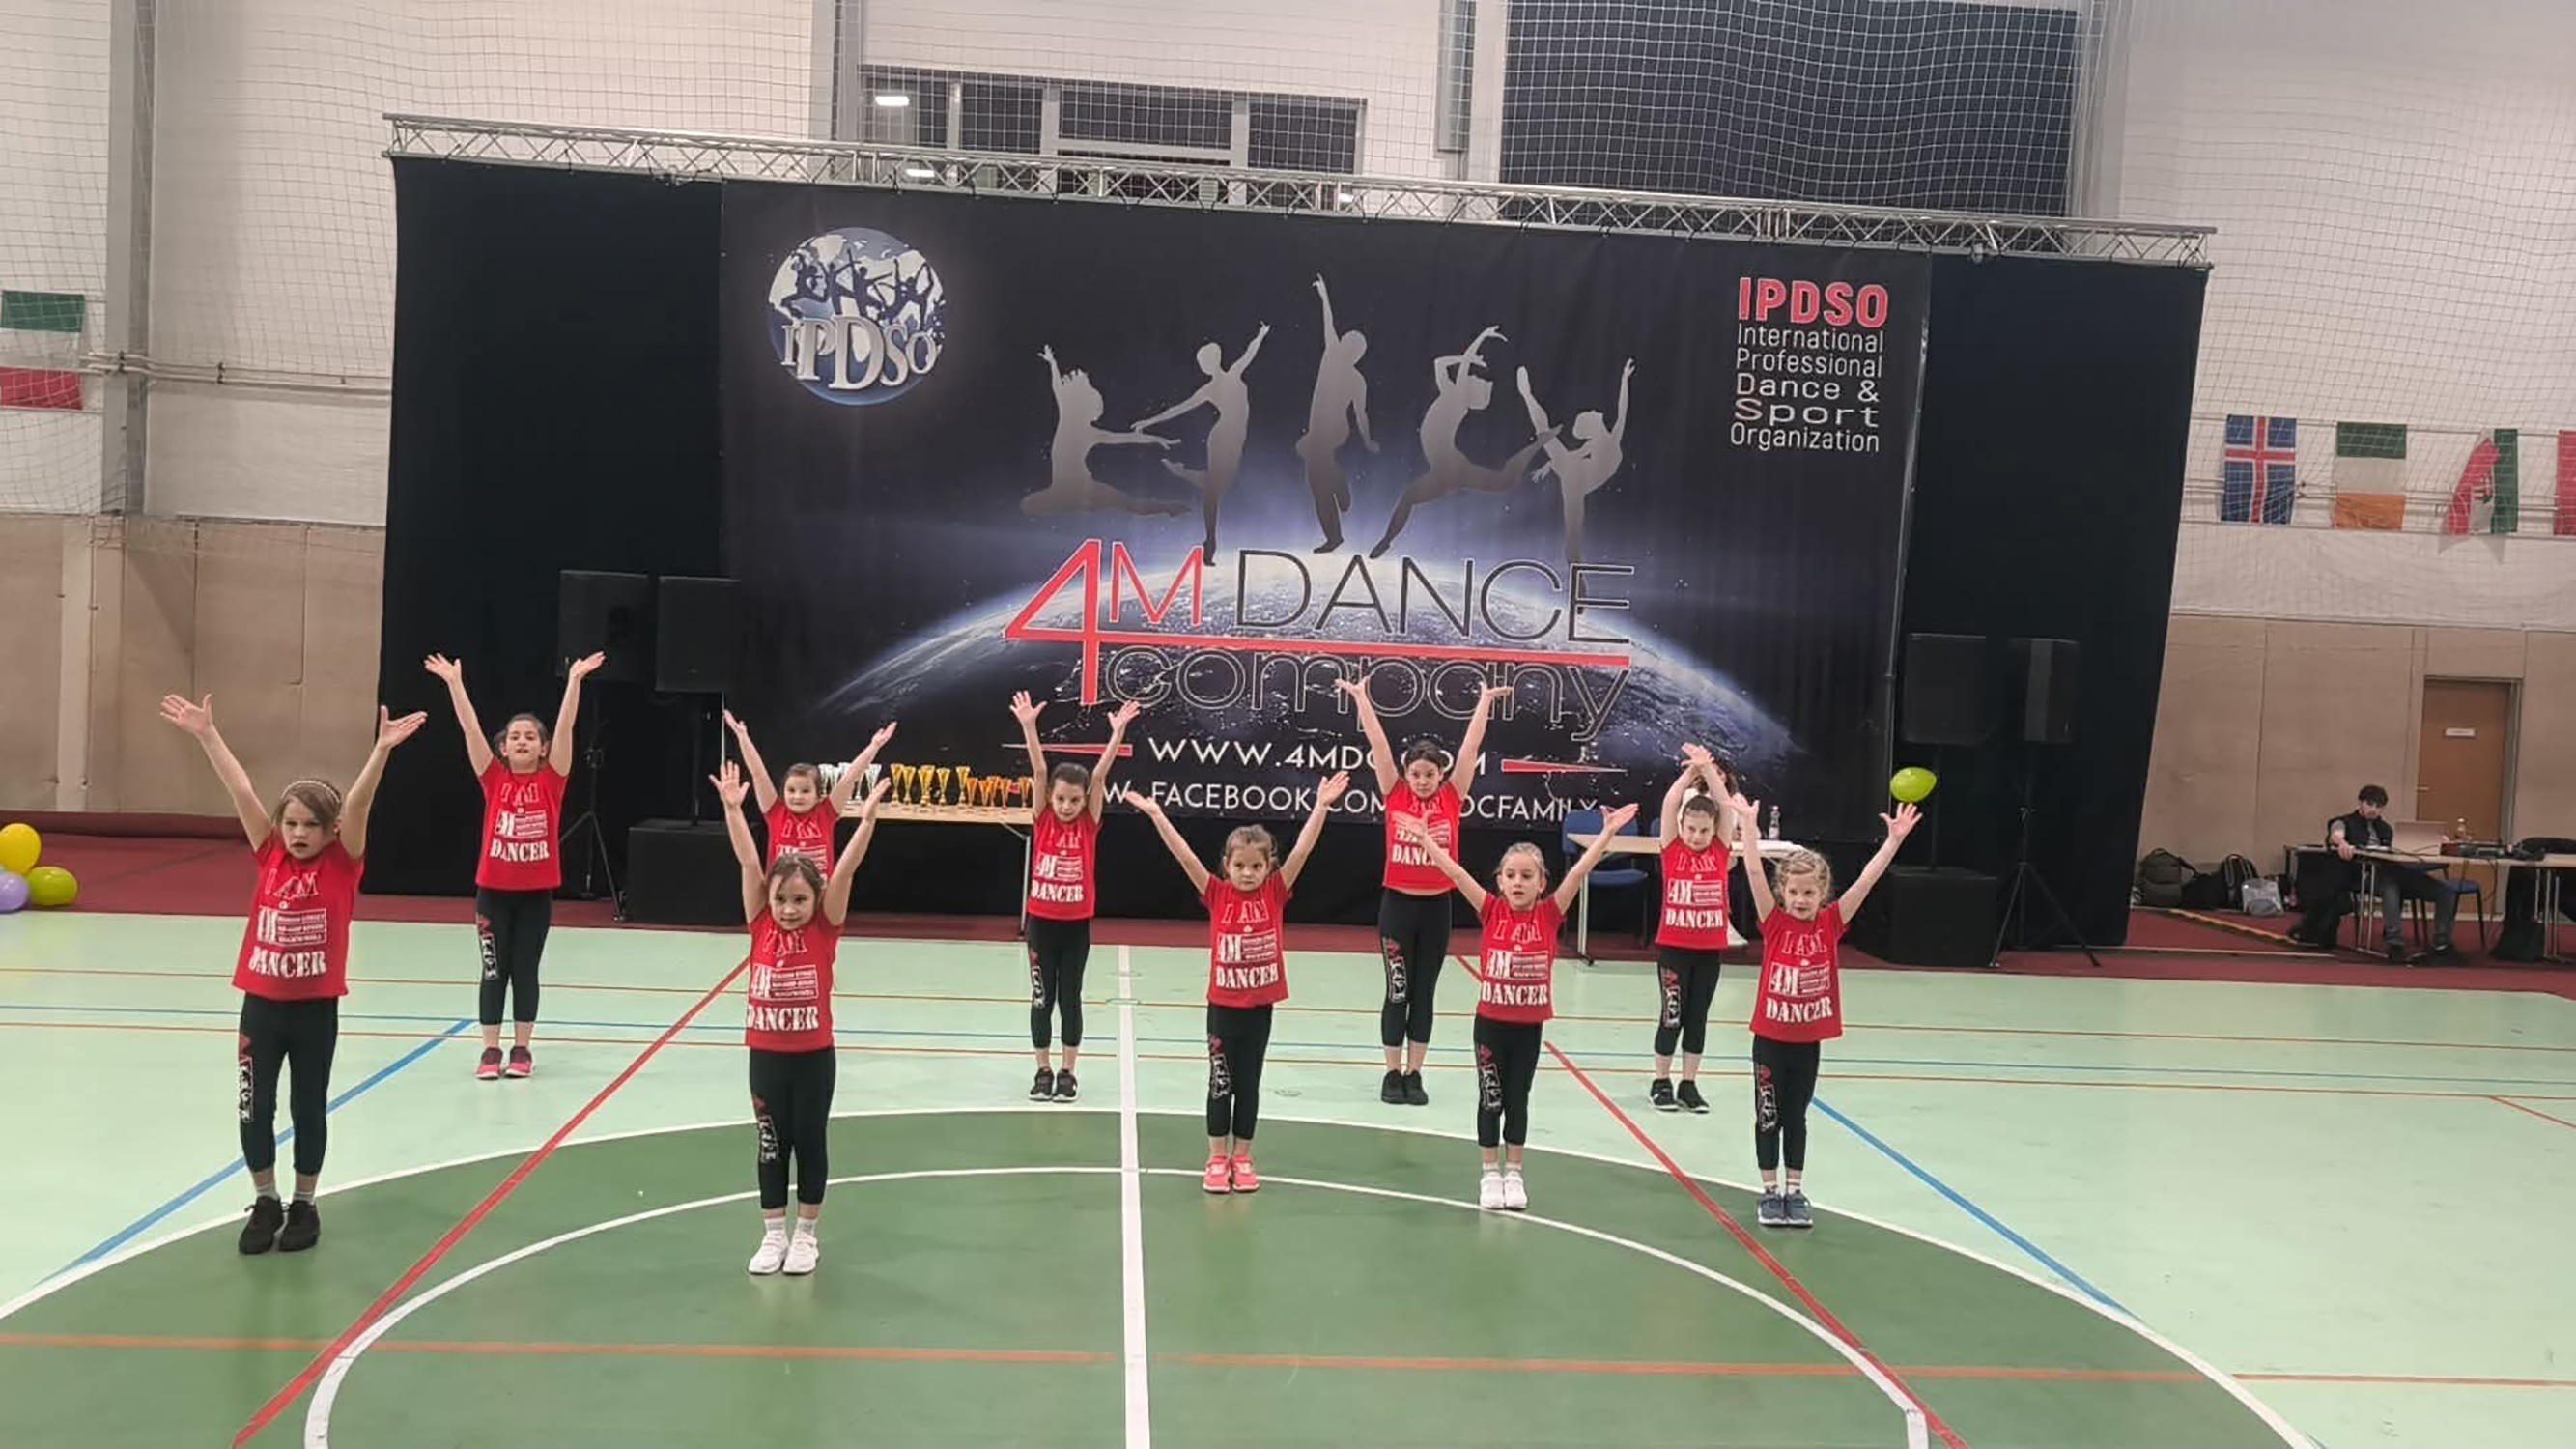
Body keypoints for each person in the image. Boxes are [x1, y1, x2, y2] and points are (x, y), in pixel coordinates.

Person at [160, 693, 425, 1254]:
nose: (298, 833)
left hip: (314, 1011)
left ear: (331, 832)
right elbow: (241, 789)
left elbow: (359, 805)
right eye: (291, 823)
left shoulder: (342, 864)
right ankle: (265, 1200)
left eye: (311, 825)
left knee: (308, 1108)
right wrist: (208, 734)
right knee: (254, 1108)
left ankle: (305, 1202)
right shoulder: (269, 853)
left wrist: (380, 751)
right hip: (261, 1007)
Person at [1397, 804, 1636, 1210]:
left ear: (1542, 883)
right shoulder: (1491, 910)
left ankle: (1515, 1172)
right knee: (1490, 1098)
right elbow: (1456, 873)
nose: (1518, 882)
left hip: (1528, 1028)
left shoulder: (1549, 914)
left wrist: (1607, 834)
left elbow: (1579, 872)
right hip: (1490, 1025)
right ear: (1500, 881)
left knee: (1518, 1098)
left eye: (1527, 876)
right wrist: (1425, 840)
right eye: (1510, 876)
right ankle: (1490, 1172)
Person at [711, 760, 892, 1276]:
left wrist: (867, 822)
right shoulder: (759, 922)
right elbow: (749, 860)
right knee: (771, 1143)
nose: (789, 909)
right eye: (781, 900)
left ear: (817, 900)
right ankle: (773, 1234)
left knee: (810, 1141)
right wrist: (733, 810)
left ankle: (807, 1235)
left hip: (813, 1057)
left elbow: (845, 870)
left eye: (799, 900)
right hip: (766, 1056)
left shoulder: (825, 928)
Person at [1126, 776, 1347, 1195]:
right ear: (1226, 865)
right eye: (1240, 866)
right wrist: (1157, 815)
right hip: (1223, 1007)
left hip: (1260, 1009)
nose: (1247, 873)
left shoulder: (1275, 893)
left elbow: (1303, 850)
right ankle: (1216, 1157)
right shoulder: (1216, 894)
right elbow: (1184, 856)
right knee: (1220, 1082)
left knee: (1249, 1084)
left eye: (1256, 866)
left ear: (1269, 867)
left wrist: (1320, 807)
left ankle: (1242, 1157)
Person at [1732, 791, 1919, 1229]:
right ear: (1783, 893)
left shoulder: (1831, 924)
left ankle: (1794, 1191)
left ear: (1822, 894)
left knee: (1796, 1116)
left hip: (1807, 1043)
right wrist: (1749, 831)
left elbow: (1866, 882)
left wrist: (1893, 842)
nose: (1801, 899)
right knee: (1768, 1116)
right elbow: (1754, 871)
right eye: (1794, 891)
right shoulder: (1774, 923)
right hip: (1769, 1040)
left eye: (1809, 892)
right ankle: (1769, 1191)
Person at [423, 650, 604, 1080]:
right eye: (515, 737)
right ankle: (490, 1050)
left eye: (531, 737)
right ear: (503, 748)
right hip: (493, 893)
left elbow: (566, 727)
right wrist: (455, 685)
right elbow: (470, 729)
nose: (522, 741)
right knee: (493, 972)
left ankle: (522, 1048)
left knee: (525, 971)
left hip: (535, 896)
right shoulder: (493, 777)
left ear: (543, 749)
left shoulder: (552, 780)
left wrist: (574, 681)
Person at [1335, 673, 1509, 1106]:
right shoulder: (1394, 793)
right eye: (1416, 773)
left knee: (1424, 993)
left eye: (1430, 774)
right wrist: (1361, 698)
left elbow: (1470, 748)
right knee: (1398, 991)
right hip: (1397, 906)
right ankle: (1391, 1072)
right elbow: (1378, 744)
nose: (1423, 780)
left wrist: (1484, 702)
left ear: (1441, 774)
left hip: (1436, 910)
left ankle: (1415, 1073)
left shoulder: (1452, 798)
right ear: (1406, 774)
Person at [1010, 691, 1142, 1103]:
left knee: (1070, 998)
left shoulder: (1088, 824)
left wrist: (1117, 734)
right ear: (1050, 797)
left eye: (1074, 800)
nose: (1066, 806)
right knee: (1041, 999)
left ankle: (1068, 1071)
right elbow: (1038, 768)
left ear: (1085, 801)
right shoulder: (1043, 819)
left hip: (1075, 927)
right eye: (1060, 799)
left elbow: (1100, 776)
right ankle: (1042, 1070)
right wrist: (1029, 726)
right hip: (1041, 924)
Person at [1650, 745, 1742, 1114]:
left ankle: (1689, 1084)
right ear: (1681, 827)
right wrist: (1692, 772)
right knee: (1672, 1016)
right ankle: (1661, 1081)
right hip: (1673, 950)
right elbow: (1670, 803)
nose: (1697, 836)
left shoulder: (1719, 851)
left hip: (1708, 952)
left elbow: (1727, 807)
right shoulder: (1672, 849)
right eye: (1691, 829)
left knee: (1697, 1019)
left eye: (1704, 830)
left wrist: (1710, 773)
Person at [1134, 322, 1270, 557]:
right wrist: (1148, 421)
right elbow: (1179, 409)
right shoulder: (1213, 387)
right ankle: (1211, 540)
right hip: (1224, 437)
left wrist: (1261, 335)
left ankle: (1182, 472)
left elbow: (1249, 353)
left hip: (1233, 437)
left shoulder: (1232, 374)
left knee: (1215, 487)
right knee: (1214, 489)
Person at [2287, 783, 2458, 960]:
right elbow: (2336, 835)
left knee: (2445, 893)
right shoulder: (2344, 821)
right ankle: (2395, 944)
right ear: (2360, 803)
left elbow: (2400, 850)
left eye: (2379, 806)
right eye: (2370, 804)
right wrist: (2343, 843)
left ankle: (2442, 943)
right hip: (2364, 875)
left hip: (2396, 872)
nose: (2374, 810)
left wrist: (2436, 841)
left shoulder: (2386, 829)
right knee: (2390, 887)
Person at [722, 710, 895, 866]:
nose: (797, 796)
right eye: (791, 790)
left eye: (805, 791)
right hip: (780, 891)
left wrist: (874, 746)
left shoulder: (826, 814)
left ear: (818, 795)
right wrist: (742, 737)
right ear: (783, 792)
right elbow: (758, 773)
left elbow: (850, 778)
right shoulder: (775, 812)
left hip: (820, 891)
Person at [1295, 274, 1377, 552]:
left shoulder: (1341, 366)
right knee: (1317, 473)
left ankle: (1335, 529)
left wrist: (1367, 439)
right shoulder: (1337, 361)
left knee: (1316, 480)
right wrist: (1324, 296)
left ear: (1354, 352)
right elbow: (1328, 324)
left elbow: (1361, 414)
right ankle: (1338, 489)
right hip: (1326, 431)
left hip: (1330, 432)